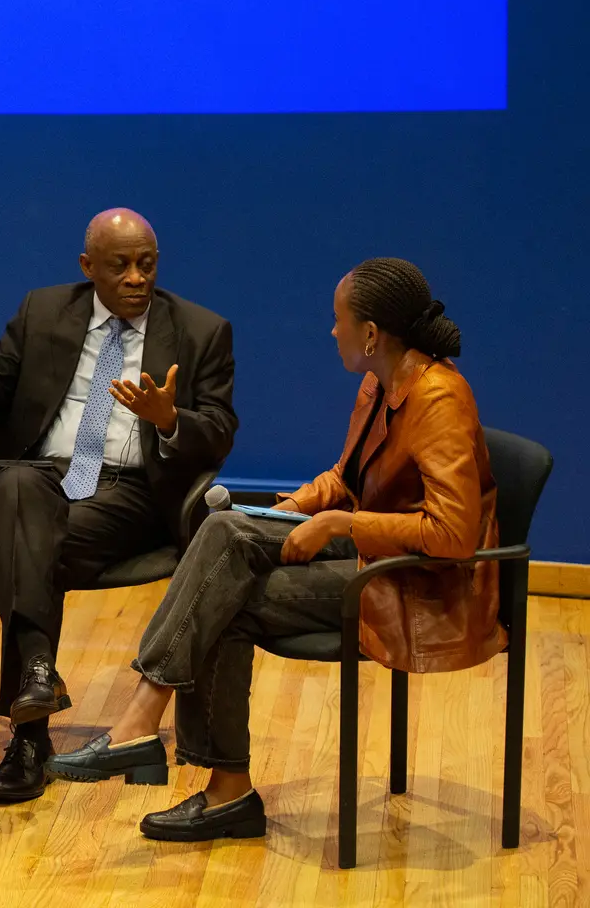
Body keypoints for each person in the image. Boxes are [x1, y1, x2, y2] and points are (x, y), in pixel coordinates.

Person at [47, 257, 501, 843]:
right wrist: (298, 509)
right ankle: (192, 763)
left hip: (422, 586)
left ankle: (194, 764)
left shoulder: (439, 398)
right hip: (376, 559)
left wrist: (341, 522)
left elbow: (453, 537)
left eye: (339, 321)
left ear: (371, 334)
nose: (331, 331)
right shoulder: (379, 382)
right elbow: (346, 475)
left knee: (225, 596)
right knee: (228, 530)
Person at [0, 207, 237, 803]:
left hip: (129, 494)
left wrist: (170, 419)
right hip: (41, 480)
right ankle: (36, 680)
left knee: (21, 535)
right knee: (21, 492)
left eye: (147, 264)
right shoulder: (44, 310)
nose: (136, 277)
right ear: (88, 267)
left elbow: (221, 429)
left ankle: (28, 737)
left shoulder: (201, 330)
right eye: (120, 265)